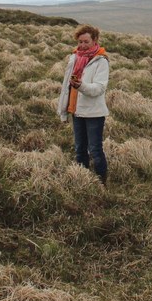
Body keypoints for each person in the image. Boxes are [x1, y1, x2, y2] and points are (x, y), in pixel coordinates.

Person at [57, 24, 109, 185]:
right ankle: (82, 180)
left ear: (95, 40)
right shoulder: (74, 57)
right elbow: (66, 85)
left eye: (86, 42)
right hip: (76, 110)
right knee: (79, 148)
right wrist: (64, 107)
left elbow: (99, 89)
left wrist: (81, 86)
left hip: (94, 113)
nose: (82, 45)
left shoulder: (101, 61)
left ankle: (102, 183)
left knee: (94, 149)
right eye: (80, 42)